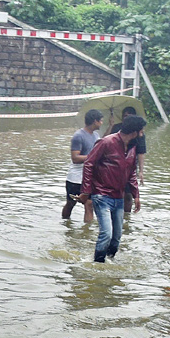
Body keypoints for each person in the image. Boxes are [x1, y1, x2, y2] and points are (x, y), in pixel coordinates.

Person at [79, 115, 147, 262]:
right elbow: (89, 164)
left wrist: (136, 195)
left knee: (116, 238)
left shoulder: (132, 148)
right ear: (133, 132)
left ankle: (109, 262)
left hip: (119, 197)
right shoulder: (106, 142)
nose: (142, 135)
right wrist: (86, 191)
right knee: (106, 234)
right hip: (101, 195)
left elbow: (131, 173)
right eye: (141, 131)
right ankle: (97, 264)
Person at [64, 109, 103, 222]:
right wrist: (93, 157)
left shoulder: (96, 135)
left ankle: (87, 234)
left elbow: (101, 146)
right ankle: (65, 223)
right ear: (95, 121)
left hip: (90, 177)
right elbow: (75, 158)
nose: (102, 123)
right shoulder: (78, 136)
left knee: (89, 204)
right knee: (71, 204)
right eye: (100, 121)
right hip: (76, 178)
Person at [109, 105, 147, 212]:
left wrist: (141, 171)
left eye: (129, 116)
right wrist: (110, 126)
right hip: (115, 166)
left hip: (129, 166)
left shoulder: (139, 134)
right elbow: (105, 140)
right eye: (124, 116)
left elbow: (141, 152)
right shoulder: (116, 129)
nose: (126, 118)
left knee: (128, 194)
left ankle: (126, 217)